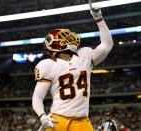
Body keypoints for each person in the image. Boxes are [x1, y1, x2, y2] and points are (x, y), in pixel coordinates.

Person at [32, 2, 113, 131]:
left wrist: (99, 19)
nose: (70, 38)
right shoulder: (48, 65)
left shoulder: (84, 56)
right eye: (64, 38)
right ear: (55, 44)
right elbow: (37, 97)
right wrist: (42, 116)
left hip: (81, 120)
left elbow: (107, 45)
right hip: (58, 119)